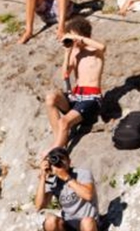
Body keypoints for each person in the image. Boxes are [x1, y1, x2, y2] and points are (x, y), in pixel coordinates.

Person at [35, 146, 100, 231]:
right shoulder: (53, 181)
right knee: (50, 222)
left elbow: (88, 195)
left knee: (87, 222)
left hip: (88, 225)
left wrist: (67, 178)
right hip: (69, 226)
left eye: (62, 160)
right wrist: (43, 177)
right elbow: (39, 206)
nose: (59, 164)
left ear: (69, 161)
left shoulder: (82, 173)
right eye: (55, 161)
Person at [44, 18, 106, 149]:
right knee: (50, 97)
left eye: (74, 36)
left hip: (91, 99)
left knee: (64, 122)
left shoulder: (95, 52)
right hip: (75, 97)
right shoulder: (74, 54)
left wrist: (79, 38)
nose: (73, 40)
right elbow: (64, 74)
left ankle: (55, 149)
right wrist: (67, 52)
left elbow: (102, 46)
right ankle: (60, 140)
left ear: (82, 35)